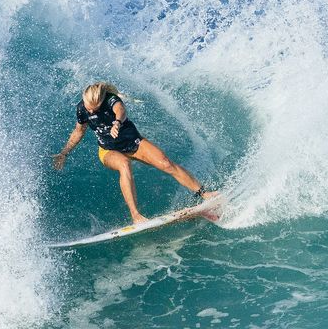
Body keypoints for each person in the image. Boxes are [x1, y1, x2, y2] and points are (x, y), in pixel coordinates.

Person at [52, 82, 216, 224]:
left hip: (133, 143)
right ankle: (136, 215)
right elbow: (78, 131)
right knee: (124, 164)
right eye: (90, 109)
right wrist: (64, 153)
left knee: (166, 163)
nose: (92, 112)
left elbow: (121, 110)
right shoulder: (82, 108)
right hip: (108, 150)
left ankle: (204, 193)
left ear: (102, 100)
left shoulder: (110, 99)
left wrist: (117, 122)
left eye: (96, 109)